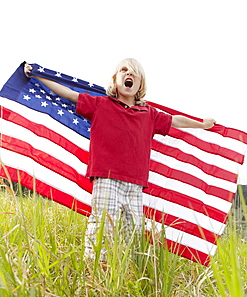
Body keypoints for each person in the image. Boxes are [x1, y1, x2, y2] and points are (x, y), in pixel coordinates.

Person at [24, 59, 215, 261]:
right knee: (102, 226)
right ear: (115, 81)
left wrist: (202, 125)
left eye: (134, 73)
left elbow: (175, 120)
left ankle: (131, 272)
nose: (128, 74)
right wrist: (38, 75)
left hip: (135, 185)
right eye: (123, 70)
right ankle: (95, 268)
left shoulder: (149, 114)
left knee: (133, 235)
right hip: (107, 179)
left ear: (140, 85)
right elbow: (70, 95)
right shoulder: (100, 105)